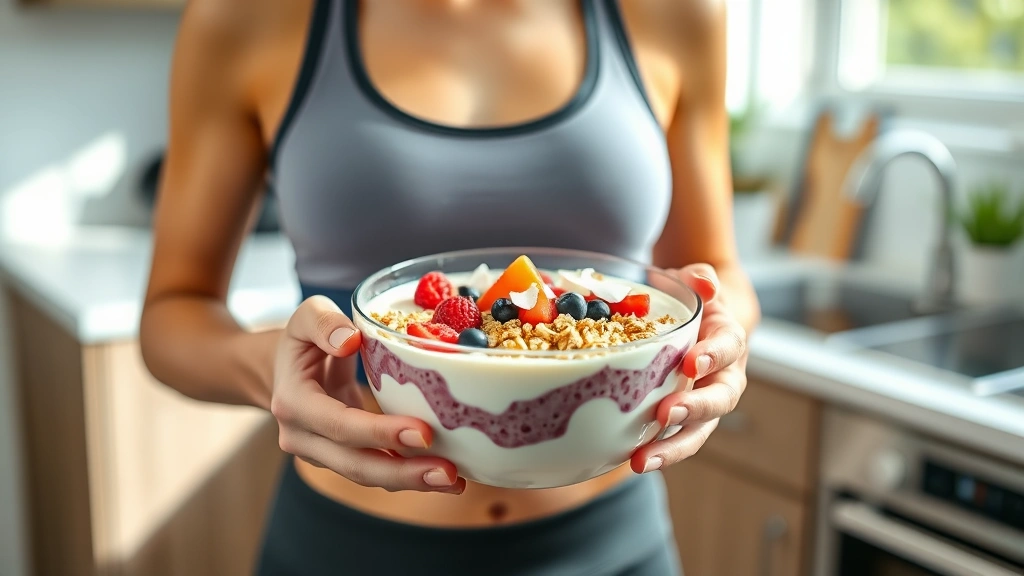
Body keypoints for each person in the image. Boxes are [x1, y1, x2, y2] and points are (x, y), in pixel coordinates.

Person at [140, 0, 761, 574]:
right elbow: (174, 312)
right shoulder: (246, 16)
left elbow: (711, 273)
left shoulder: (676, 11)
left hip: (612, 543)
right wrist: (265, 367)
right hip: (348, 548)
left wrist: (720, 341)